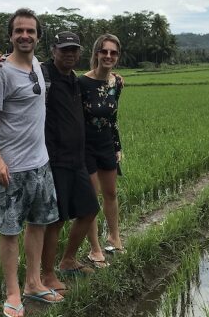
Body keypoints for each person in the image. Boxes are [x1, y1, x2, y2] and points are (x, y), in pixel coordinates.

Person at [0, 31, 102, 293]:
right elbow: (4, 74)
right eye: (64, 50)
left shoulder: (75, 80)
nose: (69, 54)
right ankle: (46, 275)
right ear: (54, 50)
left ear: (79, 53)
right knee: (54, 220)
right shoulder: (43, 72)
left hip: (77, 158)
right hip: (53, 158)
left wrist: (116, 78)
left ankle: (68, 260)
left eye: (74, 50)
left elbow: (99, 79)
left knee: (90, 208)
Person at [0, 8, 63, 317]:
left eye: (31, 31)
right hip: (11, 169)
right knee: (10, 231)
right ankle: (13, 293)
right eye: (19, 31)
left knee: (38, 225)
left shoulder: (39, 67)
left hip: (41, 164)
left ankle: (34, 283)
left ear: (39, 36)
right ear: (11, 36)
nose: (25, 36)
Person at [80, 34, 125, 266]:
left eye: (113, 53)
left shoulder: (117, 83)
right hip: (86, 146)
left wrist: (118, 147)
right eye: (104, 51)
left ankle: (114, 237)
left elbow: (113, 117)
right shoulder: (82, 83)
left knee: (111, 194)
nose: (108, 56)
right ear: (96, 53)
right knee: (91, 199)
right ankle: (95, 248)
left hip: (107, 143)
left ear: (117, 57)